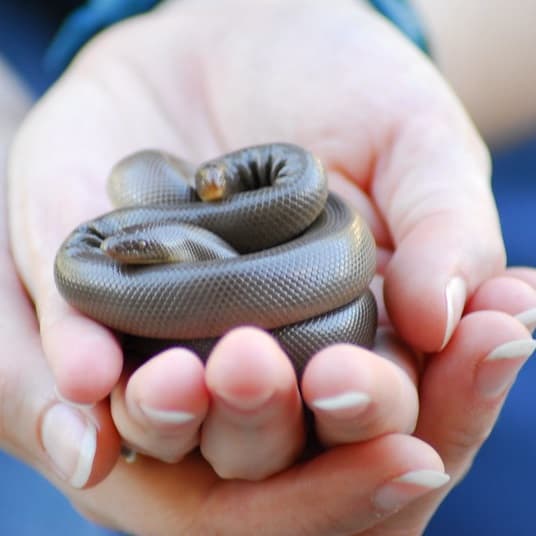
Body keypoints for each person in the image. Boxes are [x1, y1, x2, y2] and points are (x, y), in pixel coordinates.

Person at [2, 0, 536, 534]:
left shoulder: (311, 216)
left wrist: (382, 17)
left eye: (135, 248)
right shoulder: (171, 224)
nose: (118, 250)